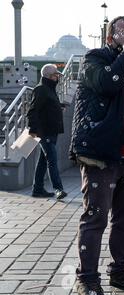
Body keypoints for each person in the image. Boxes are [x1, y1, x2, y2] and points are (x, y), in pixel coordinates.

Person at [69, 16, 124, 295]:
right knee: (96, 217)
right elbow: (106, 84)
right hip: (102, 155)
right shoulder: (95, 58)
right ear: (110, 37)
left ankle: (119, 271)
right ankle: (87, 279)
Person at [27, 64, 67, 200]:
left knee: (43, 161)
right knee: (52, 159)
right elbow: (33, 111)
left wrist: (59, 106)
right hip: (45, 132)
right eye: (56, 75)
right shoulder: (41, 89)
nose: (58, 78)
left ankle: (37, 189)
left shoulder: (49, 89)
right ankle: (58, 189)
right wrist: (33, 129)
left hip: (51, 130)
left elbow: (47, 107)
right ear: (50, 76)